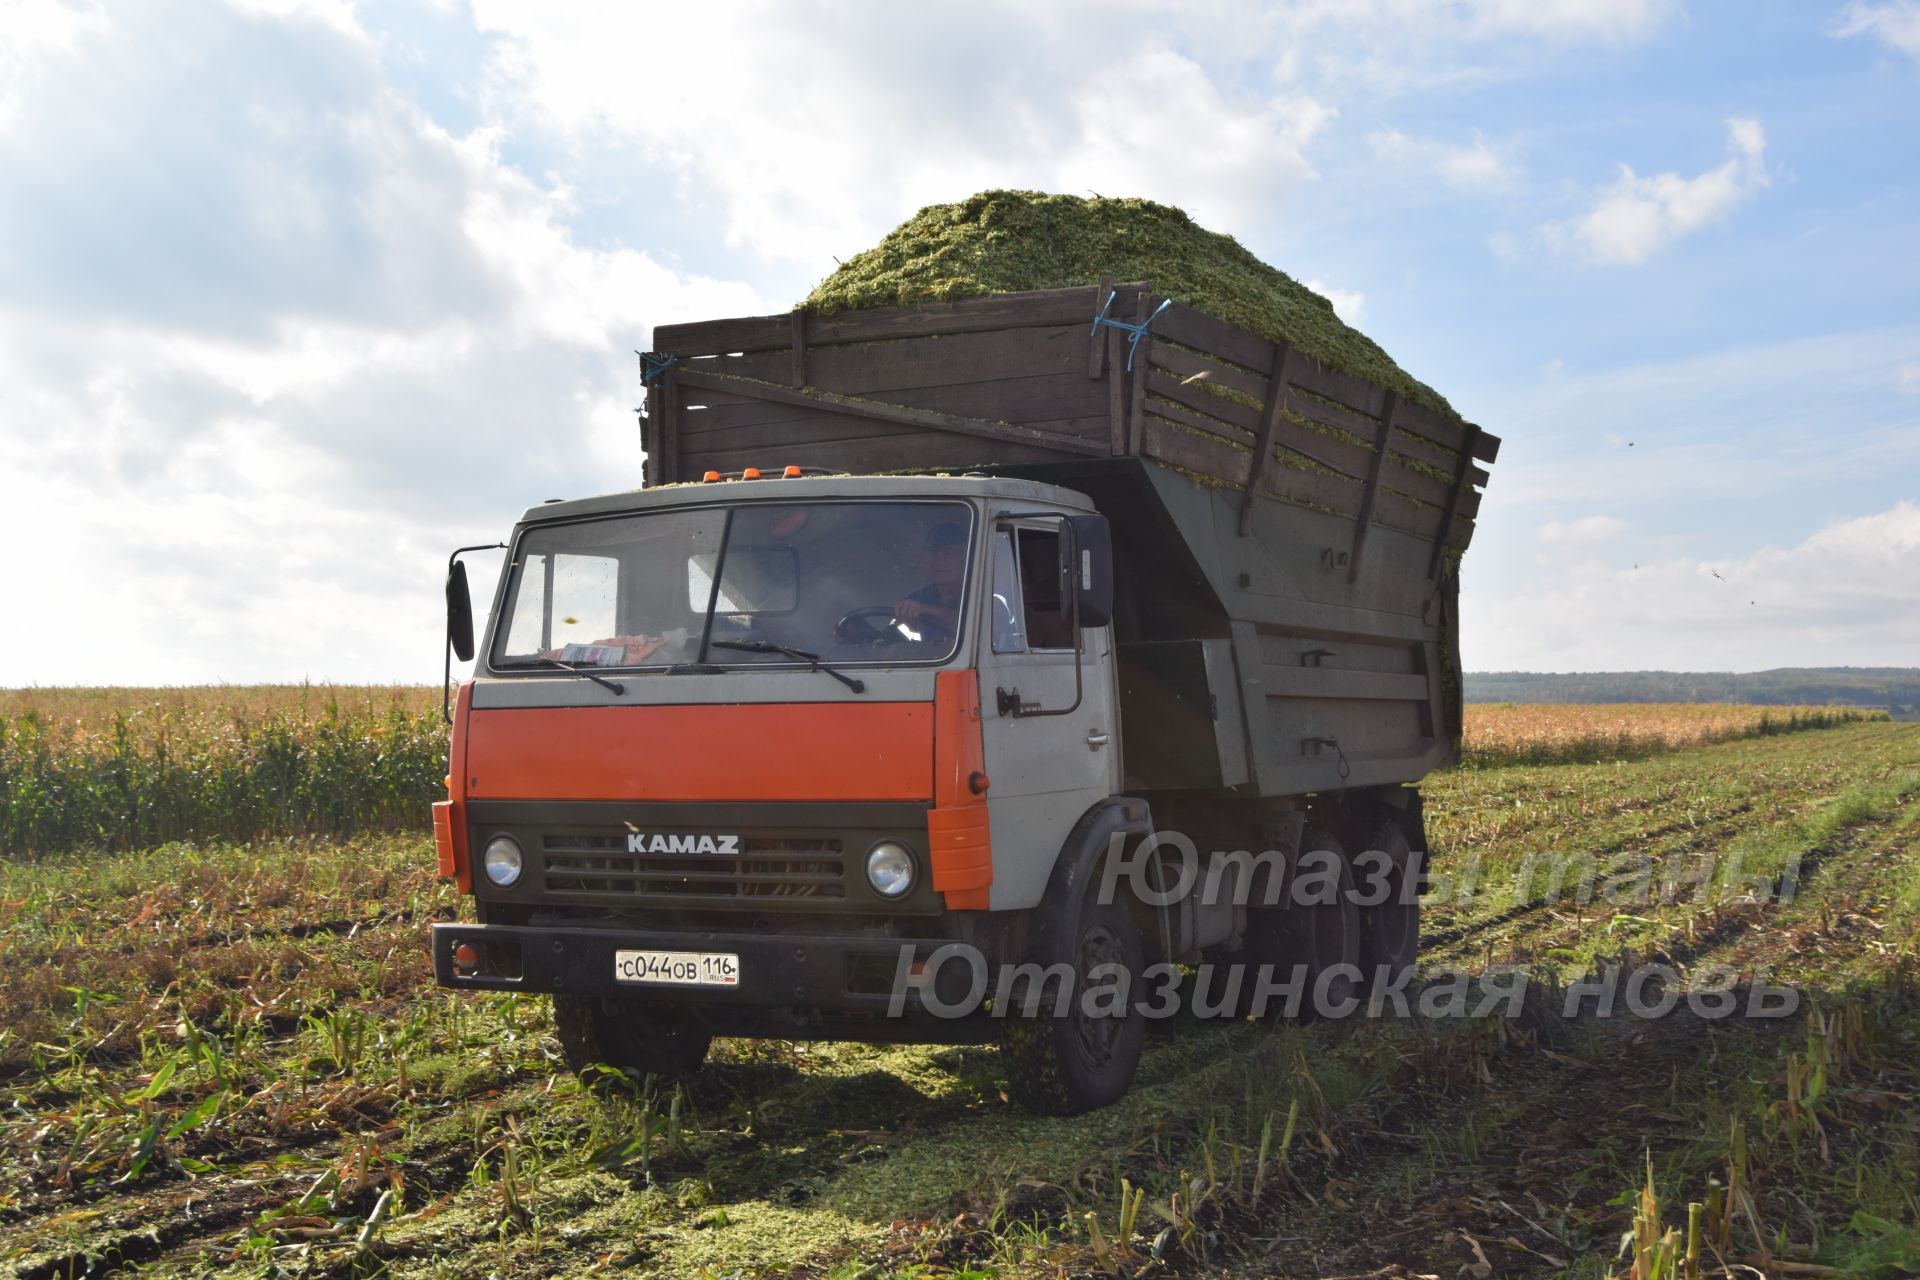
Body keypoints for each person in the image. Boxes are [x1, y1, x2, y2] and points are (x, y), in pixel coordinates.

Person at [894, 522, 968, 639]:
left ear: (965, 557)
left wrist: (928, 610)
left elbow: (975, 620)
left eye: (948, 553)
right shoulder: (917, 598)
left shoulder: (984, 596)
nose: (939, 561)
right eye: (933, 553)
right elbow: (892, 637)